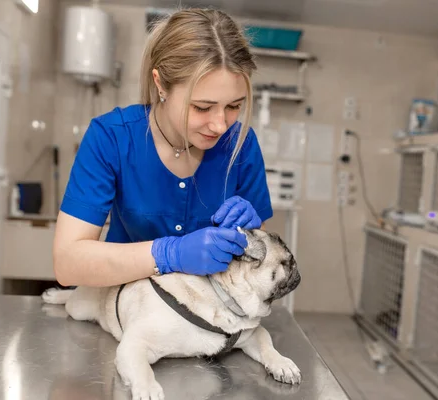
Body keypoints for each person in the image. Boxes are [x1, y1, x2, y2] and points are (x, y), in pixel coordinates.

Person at [53, 8, 273, 287]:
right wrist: (168, 253)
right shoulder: (112, 137)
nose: (220, 125)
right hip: (124, 311)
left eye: (233, 106)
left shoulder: (241, 145)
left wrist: (252, 233)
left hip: (211, 317)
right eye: (202, 107)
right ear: (161, 85)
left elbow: (259, 255)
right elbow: (68, 263)